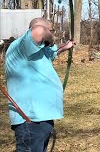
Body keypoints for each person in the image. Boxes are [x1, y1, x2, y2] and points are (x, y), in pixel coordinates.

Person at [5, 18, 75, 151]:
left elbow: (52, 52)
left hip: (40, 119)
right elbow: (39, 30)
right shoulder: (23, 45)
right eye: (51, 30)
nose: (52, 33)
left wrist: (65, 47)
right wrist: (51, 37)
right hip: (30, 120)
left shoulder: (36, 50)